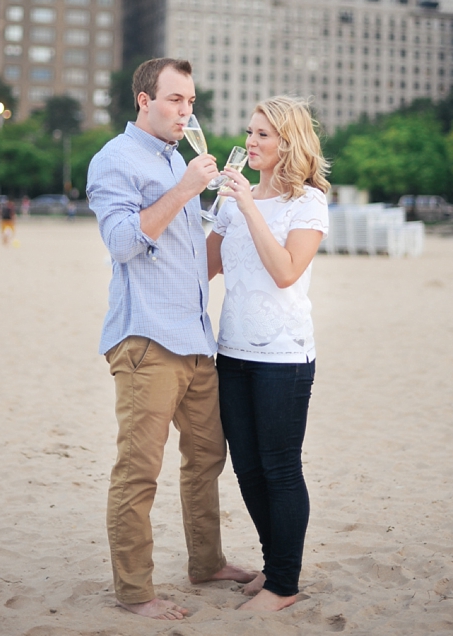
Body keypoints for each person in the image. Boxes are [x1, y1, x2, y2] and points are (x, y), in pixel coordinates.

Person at [87, 57, 254, 621]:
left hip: (195, 341)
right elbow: (123, 243)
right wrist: (185, 189)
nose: (186, 111)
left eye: (190, 101)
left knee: (206, 458)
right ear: (143, 100)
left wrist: (220, 209)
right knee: (138, 470)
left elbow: (185, 254)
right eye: (174, 99)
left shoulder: (176, 158)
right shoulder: (115, 160)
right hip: (146, 341)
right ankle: (135, 592)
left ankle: (206, 563)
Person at [206, 96, 330, 613]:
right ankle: (273, 563)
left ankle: (285, 583)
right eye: (250, 132)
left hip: (284, 355)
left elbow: (284, 271)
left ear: (289, 142)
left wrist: (249, 206)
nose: (251, 143)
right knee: (248, 469)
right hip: (231, 350)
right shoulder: (233, 201)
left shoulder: (310, 203)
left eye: (263, 135)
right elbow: (204, 267)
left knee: (280, 468)